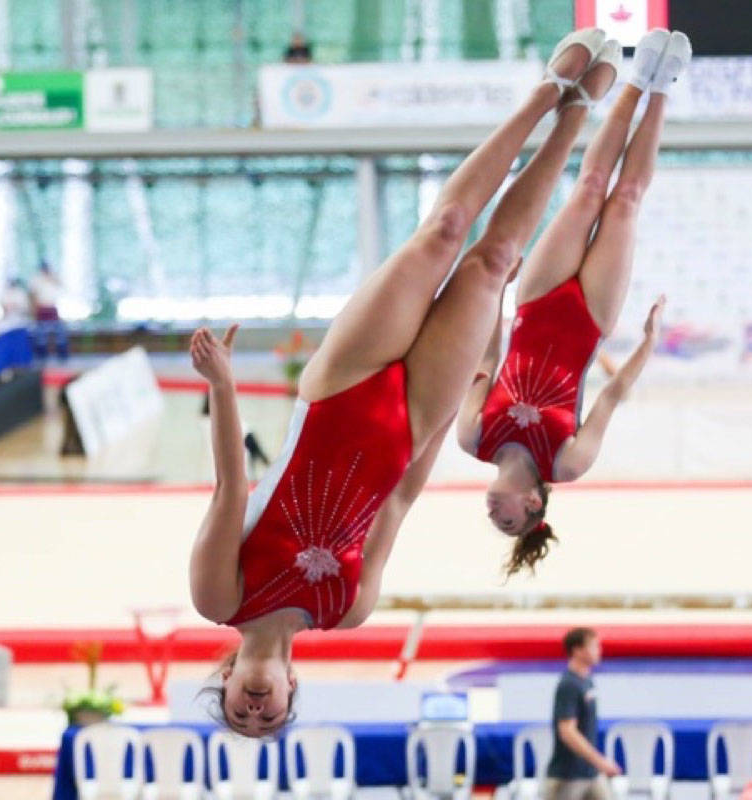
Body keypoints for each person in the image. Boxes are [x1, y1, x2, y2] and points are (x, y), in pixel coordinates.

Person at [188, 26, 619, 737]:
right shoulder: (348, 610)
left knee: (446, 230)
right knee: (494, 264)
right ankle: (576, 118)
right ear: (295, 688)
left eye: (240, 709)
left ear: (228, 679)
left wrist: (222, 384)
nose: (256, 709)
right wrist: (451, 404)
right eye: (271, 717)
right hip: (413, 419)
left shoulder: (218, 597)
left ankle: (547, 93)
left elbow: (232, 487)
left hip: (339, 390)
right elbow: (398, 503)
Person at [455, 29, 691, 577]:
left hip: (535, 300)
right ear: (534, 505)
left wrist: (495, 293)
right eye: (509, 522)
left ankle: (635, 82)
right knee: (625, 202)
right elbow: (610, 396)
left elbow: (485, 361)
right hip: (591, 319)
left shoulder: (473, 437)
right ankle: (661, 90)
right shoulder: (568, 461)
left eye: (497, 522)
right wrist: (649, 342)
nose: (496, 515)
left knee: (588, 190)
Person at [547, 627, 620, 800]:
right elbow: (567, 731)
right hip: (568, 776)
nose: (599, 651)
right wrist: (599, 761)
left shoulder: (587, 681)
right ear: (578, 650)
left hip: (590, 773)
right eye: (594, 646)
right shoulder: (569, 685)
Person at [30, 262, 68, 359]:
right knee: (41, 334)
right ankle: (42, 355)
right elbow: (33, 296)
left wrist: (52, 277)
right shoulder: (36, 280)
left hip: (52, 308)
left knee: (59, 332)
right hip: (42, 308)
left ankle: (62, 354)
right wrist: (34, 311)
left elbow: (62, 286)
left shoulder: (53, 278)